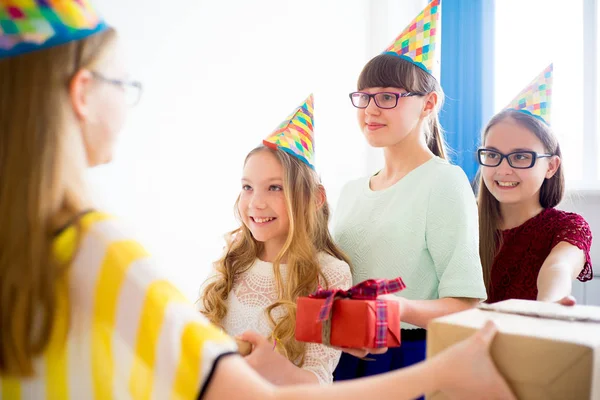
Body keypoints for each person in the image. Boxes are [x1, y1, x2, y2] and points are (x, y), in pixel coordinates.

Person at [0, 1, 515, 399]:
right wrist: (450, 369)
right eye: (123, 82)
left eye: (389, 97)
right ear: (84, 93)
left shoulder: (37, 244)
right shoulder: (103, 253)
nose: (258, 201)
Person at [333, 0, 487, 381]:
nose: (370, 108)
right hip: (343, 354)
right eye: (364, 96)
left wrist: (397, 309)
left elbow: (466, 305)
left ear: (428, 104)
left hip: (407, 359)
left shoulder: (444, 182)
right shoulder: (350, 191)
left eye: (387, 96)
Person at [200, 96, 353, 385]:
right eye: (247, 187)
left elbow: (317, 382)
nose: (256, 203)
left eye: (274, 188)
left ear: (314, 198)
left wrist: (272, 366)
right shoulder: (232, 259)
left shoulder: (329, 274)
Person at [476, 64, 593, 304]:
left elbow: (558, 267)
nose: (503, 169)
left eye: (520, 157)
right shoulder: (463, 220)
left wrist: (550, 303)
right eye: (493, 155)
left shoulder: (568, 227)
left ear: (551, 166)